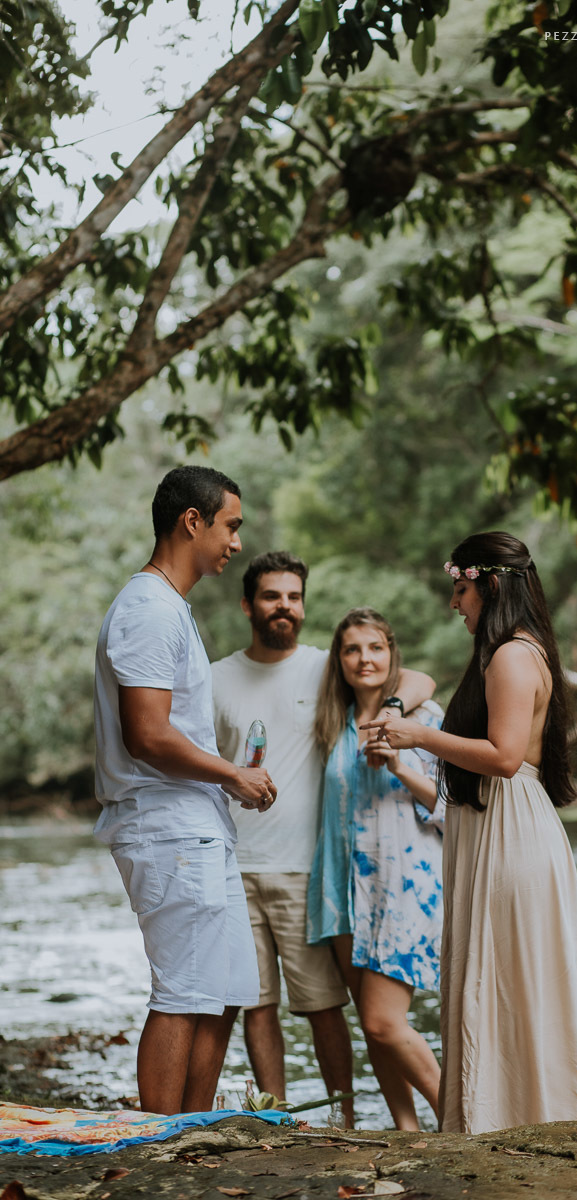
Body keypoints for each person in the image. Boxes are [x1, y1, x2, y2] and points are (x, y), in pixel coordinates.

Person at [361, 531, 577, 1134]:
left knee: (510, 983)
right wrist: (401, 712)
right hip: (492, 828)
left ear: (487, 585)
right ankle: (494, 1120)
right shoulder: (505, 652)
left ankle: (518, 1125)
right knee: (494, 981)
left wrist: (418, 737)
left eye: (459, 589)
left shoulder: (515, 654)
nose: (454, 603)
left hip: (511, 834)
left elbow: (506, 754)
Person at [211, 554, 435, 1126]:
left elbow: (415, 679)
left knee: (329, 1007)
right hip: (262, 870)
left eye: (293, 595)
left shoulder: (329, 672)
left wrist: (391, 711)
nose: (283, 605)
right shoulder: (220, 678)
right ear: (247, 605)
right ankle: (280, 1119)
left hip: (326, 872)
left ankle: (350, 1118)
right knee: (262, 1005)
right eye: (270, 595)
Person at [93, 465, 277, 1116]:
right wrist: (233, 773)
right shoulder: (146, 608)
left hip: (198, 823)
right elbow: (146, 734)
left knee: (223, 988)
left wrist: (230, 778)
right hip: (166, 827)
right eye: (230, 526)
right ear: (191, 522)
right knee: (182, 990)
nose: (235, 542)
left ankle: (191, 1132)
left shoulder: (172, 608)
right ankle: (155, 1144)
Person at [307, 608, 444, 1131]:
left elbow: (451, 807)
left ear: (392, 654)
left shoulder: (425, 717)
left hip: (402, 891)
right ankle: (407, 1131)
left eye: (375, 648)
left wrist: (400, 765)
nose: (364, 659)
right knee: (371, 1026)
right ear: (339, 661)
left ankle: (464, 1122)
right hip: (344, 892)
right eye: (351, 649)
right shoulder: (333, 724)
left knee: (385, 1023)